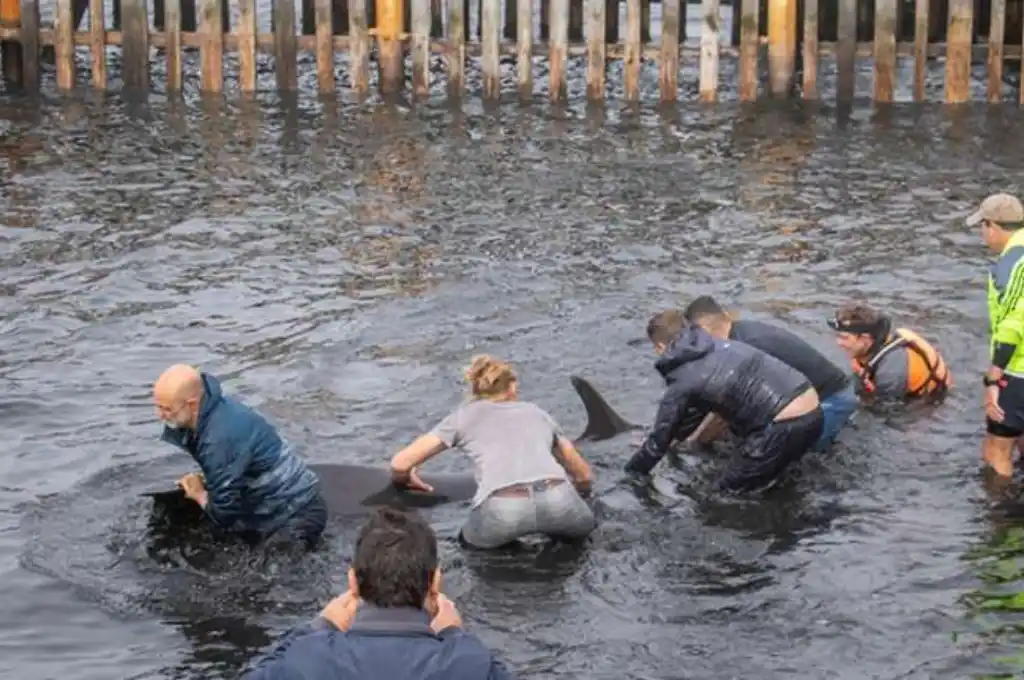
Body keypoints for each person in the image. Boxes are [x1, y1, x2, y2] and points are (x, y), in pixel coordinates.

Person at [243, 507, 514, 680]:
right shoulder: (468, 663)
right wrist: (455, 634)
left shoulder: (306, 658)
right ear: (435, 583)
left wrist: (319, 625)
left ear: (353, 583)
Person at [389, 355, 595, 549]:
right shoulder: (537, 412)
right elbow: (584, 475)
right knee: (578, 545)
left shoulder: (462, 417)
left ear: (475, 389)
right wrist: (580, 497)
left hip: (504, 508)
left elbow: (399, 463)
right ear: (512, 386)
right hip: (558, 497)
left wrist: (405, 478)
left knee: (469, 549)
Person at [625, 310, 824, 493]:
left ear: (660, 347)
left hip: (784, 423)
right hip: (812, 408)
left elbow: (657, 442)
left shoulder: (682, 379)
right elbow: (695, 409)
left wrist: (631, 474)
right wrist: (678, 439)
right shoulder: (719, 345)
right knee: (776, 478)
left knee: (724, 493)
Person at [153, 364, 327, 548]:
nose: (161, 415)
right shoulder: (215, 408)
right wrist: (210, 478)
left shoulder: (218, 438)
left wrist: (199, 494)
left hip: (296, 515)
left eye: (167, 409)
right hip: (289, 500)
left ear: (192, 403)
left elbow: (225, 513)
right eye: (157, 407)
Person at [683, 296, 857, 451]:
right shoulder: (742, 331)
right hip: (825, 390)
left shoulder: (743, 350)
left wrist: (694, 443)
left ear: (703, 329)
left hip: (831, 400)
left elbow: (725, 410)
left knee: (800, 456)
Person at [968, 192, 1024, 478]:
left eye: (982, 225)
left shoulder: (1010, 266)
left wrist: (993, 378)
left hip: (1018, 370)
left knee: (996, 449)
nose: (982, 233)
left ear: (993, 225)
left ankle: (1003, 518)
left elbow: (1014, 323)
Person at [827, 303, 951, 403]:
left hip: (923, 404)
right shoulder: (868, 348)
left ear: (865, 339)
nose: (838, 343)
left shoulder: (890, 373)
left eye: (844, 338)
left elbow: (887, 414)